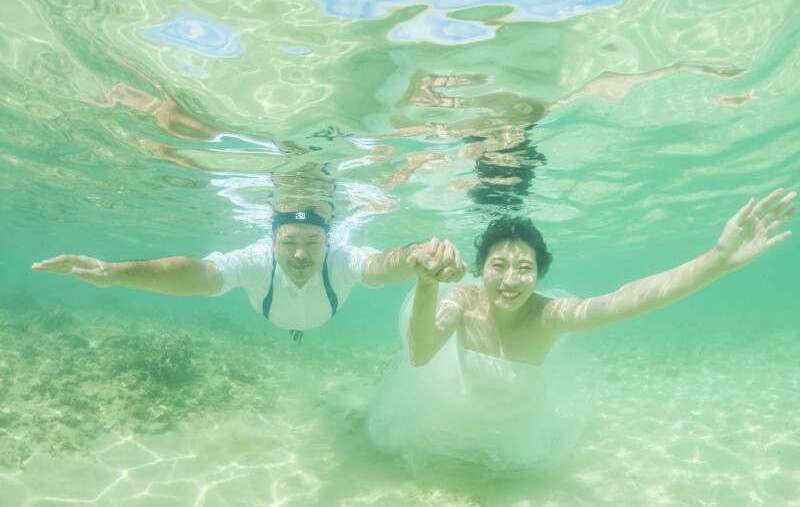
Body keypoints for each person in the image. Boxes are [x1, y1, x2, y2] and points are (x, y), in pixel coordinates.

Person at [369, 188, 796, 474]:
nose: (510, 281)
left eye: (525, 268)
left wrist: (715, 261)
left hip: (515, 431)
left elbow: (622, 301)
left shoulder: (549, 315)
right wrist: (427, 284)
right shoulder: (462, 300)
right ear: (480, 271)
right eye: (498, 267)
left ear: (540, 274)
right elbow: (421, 352)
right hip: (449, 411)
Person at [31, 205, 467, 342]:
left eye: (312, 243)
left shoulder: (341, 258)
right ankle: (296, 331)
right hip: (275, 314)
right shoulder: (257, 260)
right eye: (288, 242)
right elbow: (201, 274)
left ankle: (299, 331)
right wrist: (117, 272)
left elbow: (377, 266)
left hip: (317, 315)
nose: (299, 253)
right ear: (272, 240)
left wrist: (414, 255)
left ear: (328, 242)